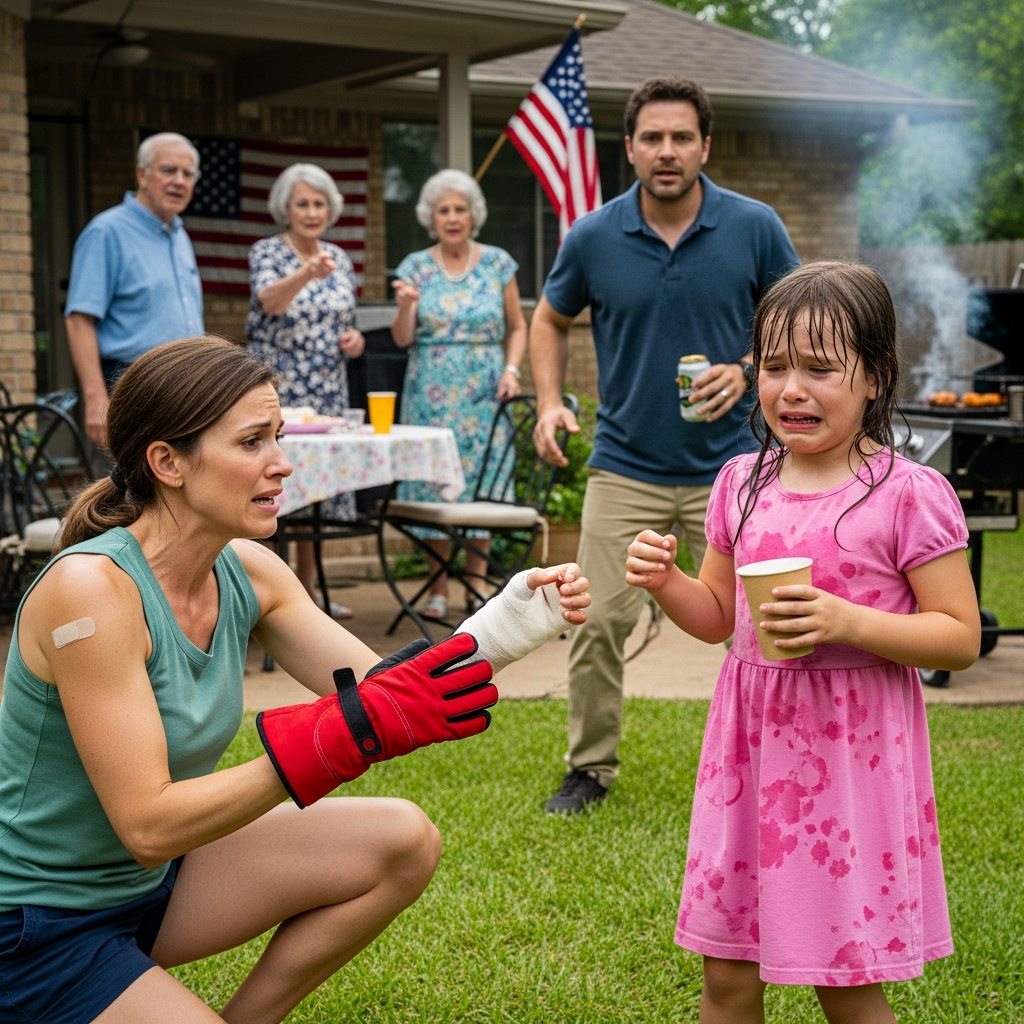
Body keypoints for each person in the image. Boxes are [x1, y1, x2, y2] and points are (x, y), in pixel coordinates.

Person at [0, 336, 590, 1023]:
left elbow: (388, 695)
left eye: (277, 437)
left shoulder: (249, 573)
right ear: (167, 462)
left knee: (402, 840)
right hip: (37, 930)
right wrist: (322, 746)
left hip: (155, 891)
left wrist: (502, 628)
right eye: (252, 442)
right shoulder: (91, 591)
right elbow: (149, 825)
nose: (283, 464)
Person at [626, 262, 979, 1022]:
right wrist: (666, 584)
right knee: (726, 974)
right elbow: (720, 615)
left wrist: (846, 621)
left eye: (820, 369)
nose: (792, 389)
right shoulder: (741, 483)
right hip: (748, 759)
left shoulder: (908, 495)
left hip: (849, 766)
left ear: (877, 377)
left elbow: (958, 637)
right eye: (774, 367)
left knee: (843, 981)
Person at [530, 77, 800, 814]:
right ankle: (588, 769)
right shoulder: (593, 235)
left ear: (705, 145)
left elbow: (801, 322)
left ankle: (783, 763)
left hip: (742, 467)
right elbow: (548, 319)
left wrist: (747, 370)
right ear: (631, 149)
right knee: (593, 617)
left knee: (770, 621)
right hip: (627, 464)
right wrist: (550, 403)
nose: (668, 150)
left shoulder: (755, 226)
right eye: (653, 137)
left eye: (682, 136)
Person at [391, 169, 528, 621]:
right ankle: (436, 588)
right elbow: (401, 337)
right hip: (430, 391)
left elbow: (518, 326)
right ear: (432, 217)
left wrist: (512, 369)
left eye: (460, 209)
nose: (452, 217)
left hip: (486, 390)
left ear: (474, 215)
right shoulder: (414, 266)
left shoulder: (497, 263)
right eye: (443, 210)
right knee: (435, 487)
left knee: (480, 485)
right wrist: (407, 306)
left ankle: (476, 585)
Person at [246, 162, 366, 619]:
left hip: (327, 391)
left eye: (319, 203)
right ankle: (270, 599)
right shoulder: (268, 252)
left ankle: (310, 596)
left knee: (314, 493)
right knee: (273, 489)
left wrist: (353, 341)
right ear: (286, 209)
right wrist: (305, 273)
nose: (311, 212)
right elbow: (268, 302)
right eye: (303, 203)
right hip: (277, 389)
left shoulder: (340, 256)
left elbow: (343, 320)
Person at [65, 132, 205, 447]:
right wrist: (97, 399)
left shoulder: (179, 234)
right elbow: (78, 319)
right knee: (129, 491)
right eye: (168, 170)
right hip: (132, 385)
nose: (179, 181)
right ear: (142, 174)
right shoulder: (106, 232)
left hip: (186, 386)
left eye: (188, 174)